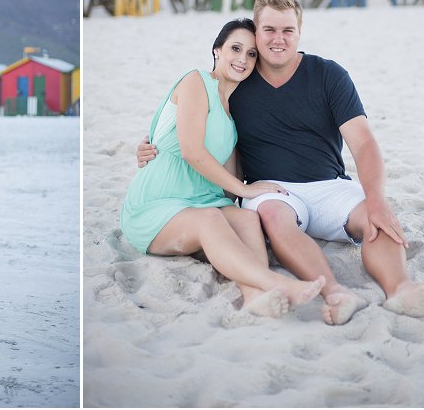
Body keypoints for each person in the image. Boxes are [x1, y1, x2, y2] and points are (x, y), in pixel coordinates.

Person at [138, 0, 424, 325]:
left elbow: (363, 143)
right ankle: (334, 292)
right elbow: (189, 124)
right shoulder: (236, 81)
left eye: (287, 30)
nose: (278, 39)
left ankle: (400, 290)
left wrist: (376, 198)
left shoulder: (328, 75)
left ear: (299, 33)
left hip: (330, 184)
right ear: (256, 34)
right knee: (274, 215)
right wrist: (149, 147)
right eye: (269, 31)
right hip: (272, 191)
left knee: (375, 215)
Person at [121, 18, 326, 317]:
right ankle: (274, 282)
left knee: (246, 219)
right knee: (211, 220)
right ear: (218, 50)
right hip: (158, 202)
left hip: (201, 199)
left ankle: (253, 293)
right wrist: (245, 189)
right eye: (236, 48)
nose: (243, 59)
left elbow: (228, 183)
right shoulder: (196, 81)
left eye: (252, 53)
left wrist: (243, 189)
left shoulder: (233, 113)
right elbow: (191, 152)